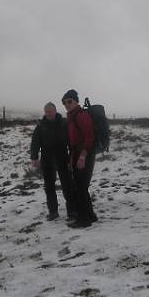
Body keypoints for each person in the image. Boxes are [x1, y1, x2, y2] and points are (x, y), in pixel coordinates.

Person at [30, 102, 75, 220]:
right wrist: (34, 157)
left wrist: (72, 157)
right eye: (46, 111)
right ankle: (53, 212)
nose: (48, 113)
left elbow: (71, 141)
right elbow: (35, 142)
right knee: (49, 186)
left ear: (55, 111)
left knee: (67, 185)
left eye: (50, 111)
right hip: (47, 159)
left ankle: (72, 211)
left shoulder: (64, 123)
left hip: (63, 157)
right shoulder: (41, 125)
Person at [62, 89, 98, 228]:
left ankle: (84, 220)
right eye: (64, 102)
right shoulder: (72, 117)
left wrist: (82, 156)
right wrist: (72, 159)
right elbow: (73, 143)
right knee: (81, 187)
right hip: (78, 154)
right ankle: (90, 215)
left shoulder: (81, 116)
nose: (67, 104)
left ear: (76, 101)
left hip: (85, 154)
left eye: (69, 101)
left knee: (80, 187)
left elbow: (90, 138)